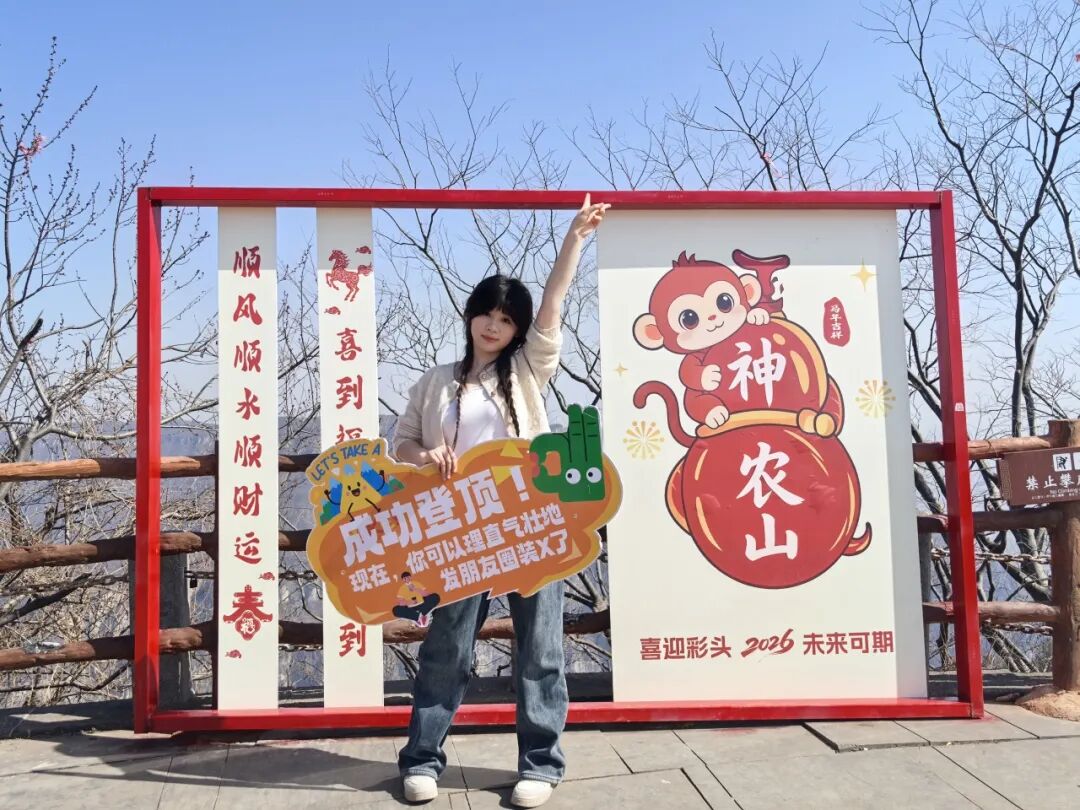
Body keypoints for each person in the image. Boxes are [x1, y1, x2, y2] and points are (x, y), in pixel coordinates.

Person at [391, 194, 610, 808]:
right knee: (446, 648)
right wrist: (426, 456)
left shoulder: (526, 372)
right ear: (470, 317)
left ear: (517, 330)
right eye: (486, 314)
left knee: (540, 649)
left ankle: (540, 764)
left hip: (531, 524)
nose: (493, 325)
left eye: (506, 319)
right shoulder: (436, 381)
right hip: (458, 531)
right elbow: (401, 443)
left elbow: (554, 307)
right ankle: (422, 759)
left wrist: (574, 240)